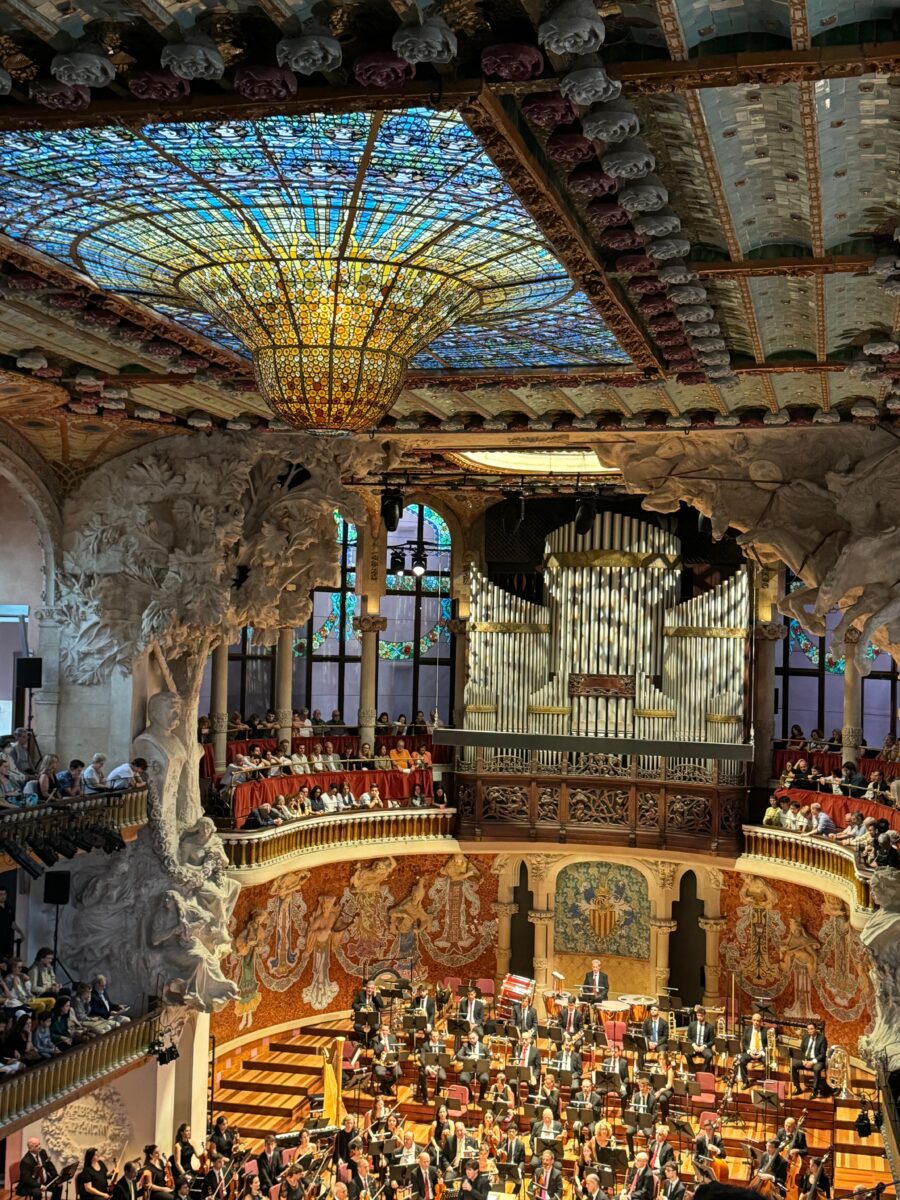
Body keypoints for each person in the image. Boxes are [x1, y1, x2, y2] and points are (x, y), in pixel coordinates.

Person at [791, 1022, 827, 1097]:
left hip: (817, 1060)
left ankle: (815, 1091)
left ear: (816, 1029)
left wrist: (812, 1062)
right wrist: (804, 1060)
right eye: (808, 1029)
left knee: (817, 1069)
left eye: (811, 1029)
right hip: (806, 1059)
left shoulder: (822, 1038)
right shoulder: (805, 1037)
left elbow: (822, 1054)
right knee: (794, 1065)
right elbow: (802, 1049)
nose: (810, 1031)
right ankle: (798, 1088)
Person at [456, 1029, 490, 1101]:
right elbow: (458, 1056)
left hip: (480, 1069)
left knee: (485, 1079)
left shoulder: (483, 1047)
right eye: (470, 1038)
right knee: (463, 1079)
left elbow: (489, 1058)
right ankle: (470, 1096)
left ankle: (481, 1098)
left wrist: (481, 1062)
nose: (471, 1040)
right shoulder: (465, 1045)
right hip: (469, 1068)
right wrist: (468, 1058)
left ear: (477, 1037)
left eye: (473, 1038)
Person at [737, 1012, 769, 1085]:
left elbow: (768, 1044)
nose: (756, 1022)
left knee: (767, 1062)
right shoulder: (747, 1029)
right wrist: (748, 1051)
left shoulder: (765, 1031)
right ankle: (745, 1082)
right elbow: (744, 1042)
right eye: (754, 1020)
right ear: (752, 1021)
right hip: (750, 1052)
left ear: (760, 1022)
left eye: (758, 1021)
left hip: (761, 1052)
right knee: (741, 1061)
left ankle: (764, 1080)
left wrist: (761, 1053)